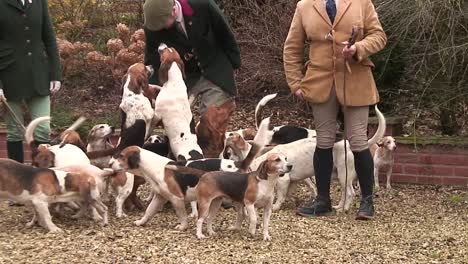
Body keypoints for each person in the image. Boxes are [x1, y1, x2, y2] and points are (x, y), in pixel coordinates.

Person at [283, 0, 386, 219]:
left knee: (358, 140)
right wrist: (295, 82)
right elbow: (292, 48)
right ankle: (322, 201)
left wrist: (358, 48)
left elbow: (379, 37)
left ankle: (366, 202)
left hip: (355, 79)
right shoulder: (304, 6)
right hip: (319, 82)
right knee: (324, 140)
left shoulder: (362, 2)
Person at [142, 0, 240, 137]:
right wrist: (154, 89)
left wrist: (234, 65)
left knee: (212, 125)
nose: (160, 29)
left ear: (174, 10)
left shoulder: (203, 5)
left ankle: (213, 154)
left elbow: (225, 34)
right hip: (185, 77)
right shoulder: (153, 26)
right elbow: (151, 58)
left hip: (215, 68)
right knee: (175, 119)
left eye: (162, 25)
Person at [0, 0, 62, 164]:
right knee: (14, 131)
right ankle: (18, 176)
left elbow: (49, 38)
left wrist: (55, 73)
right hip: (8, 74)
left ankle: (43, 176)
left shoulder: (39, 2)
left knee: (43, 129)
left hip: (38, 74)